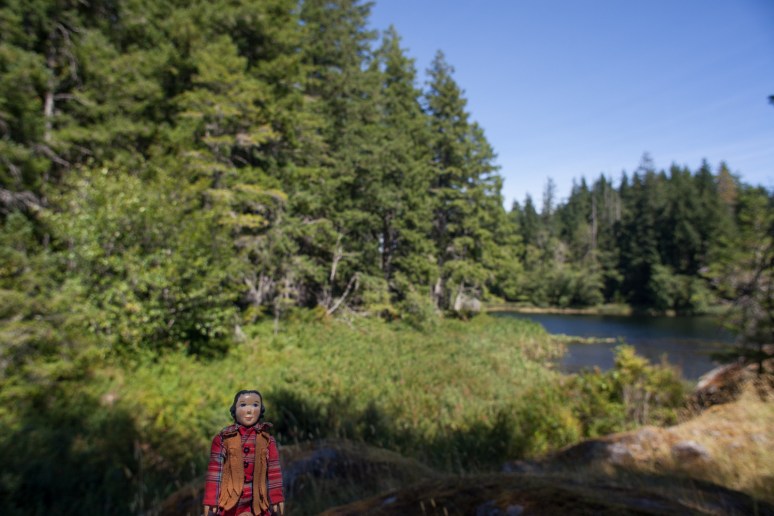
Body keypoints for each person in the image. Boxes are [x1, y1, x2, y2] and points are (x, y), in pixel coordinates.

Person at [203, 390, 285, 515]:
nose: (249, 410)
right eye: (243, 405)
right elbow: (215, 471)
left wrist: (276, 497)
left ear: (261, 410)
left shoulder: (267, 440)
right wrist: (211, 499)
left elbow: (274, 471)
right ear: (234, 410)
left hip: (257, 503)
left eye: (255, 405)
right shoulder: (223, 438)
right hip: (230, 503)